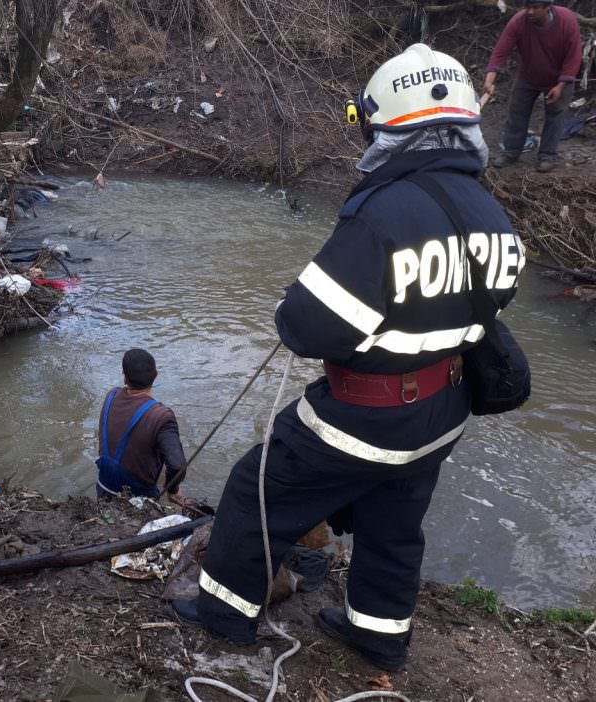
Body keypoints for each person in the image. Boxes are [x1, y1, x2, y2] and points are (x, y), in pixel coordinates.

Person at [172, 44, 523, 671]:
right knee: (394, 524)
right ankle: (379, 637)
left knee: (255, 489)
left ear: (381, 122)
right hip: (442, 414)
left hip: (365, 419)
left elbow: (306, 329)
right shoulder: (491, 212)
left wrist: (297, 302)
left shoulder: (382, 213)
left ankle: (224, 614)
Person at [484, 0, 582, 172]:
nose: (529, 12)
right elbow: (501, 51)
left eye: (535, 8)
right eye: (527, 7)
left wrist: (560, 86)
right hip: (528, 75)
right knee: (517, 111)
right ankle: (511, 151)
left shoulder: (567, 20)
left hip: (559, 78)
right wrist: (490, 79)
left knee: (555, 116)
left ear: (547, 7)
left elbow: (573, 57)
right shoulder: (519, 21)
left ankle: (547, 155)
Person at [95, 349, 187, 505]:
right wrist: (172, 489)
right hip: (137, 500)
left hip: (103, 488)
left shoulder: (110, 395)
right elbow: (177, 465)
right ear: (156, 374)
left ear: (124, 377)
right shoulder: (161, 416)